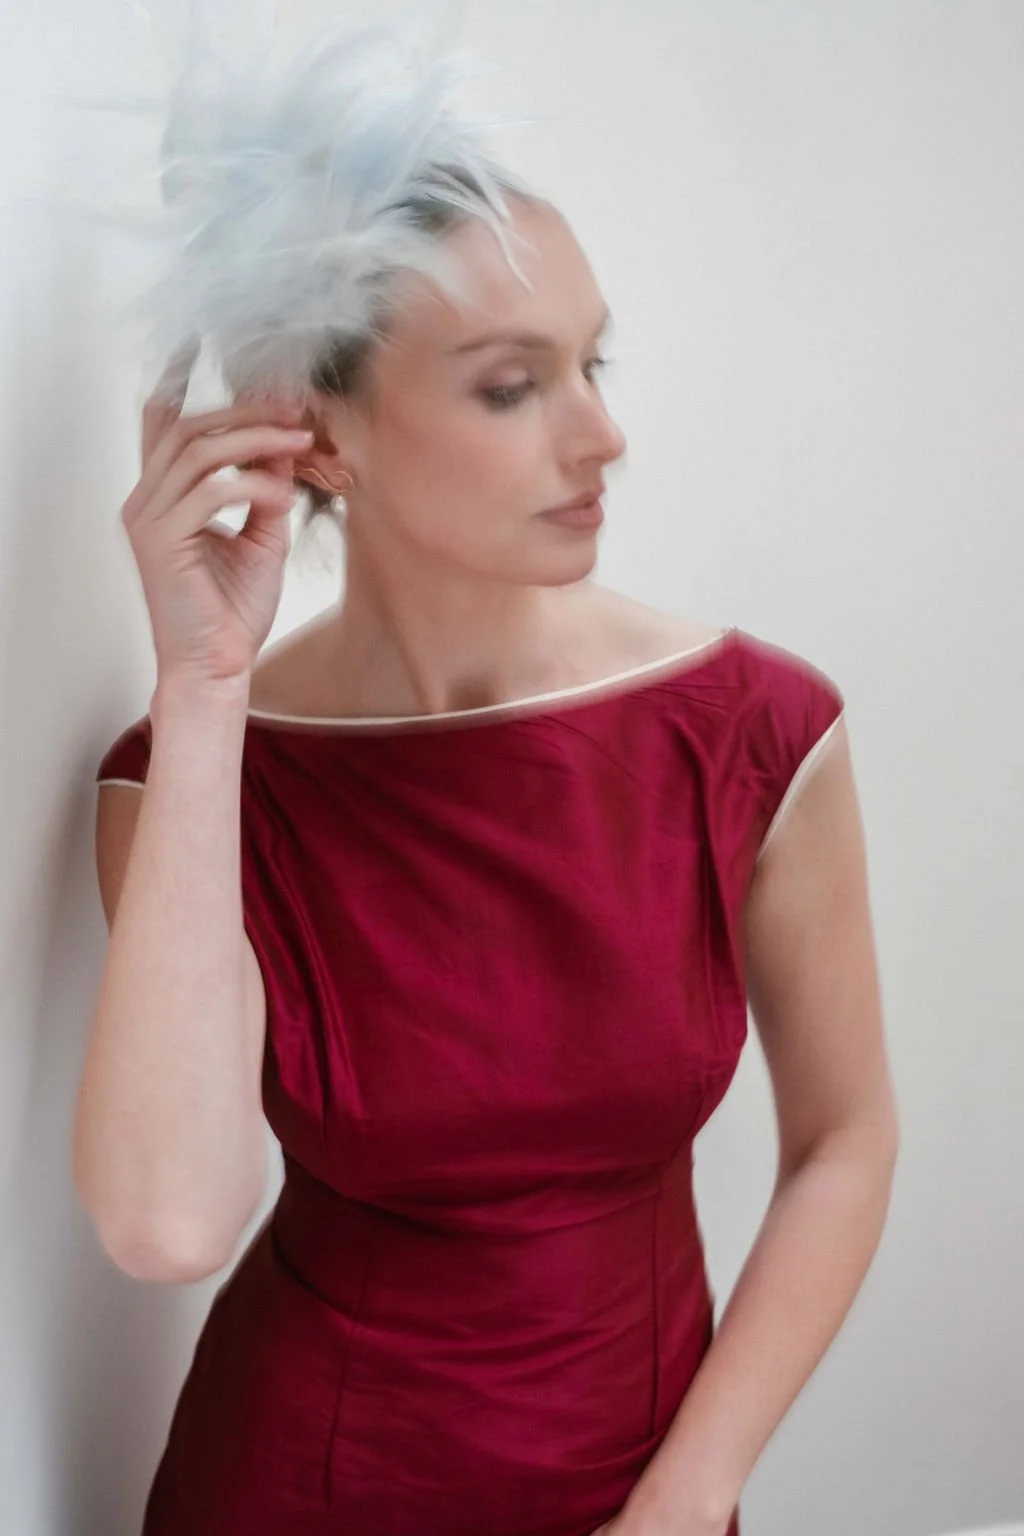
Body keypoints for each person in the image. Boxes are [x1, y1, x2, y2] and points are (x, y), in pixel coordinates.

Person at [75, 19, 899, 1536]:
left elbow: (845, 1140)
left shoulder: (754, 733)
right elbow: (166, 1217)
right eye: (515, 387)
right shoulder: (188, 780)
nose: (607, 436)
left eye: (595, 363)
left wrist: (688, 1498)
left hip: (642, 1495)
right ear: (317, 438)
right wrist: (203, 691)